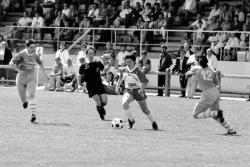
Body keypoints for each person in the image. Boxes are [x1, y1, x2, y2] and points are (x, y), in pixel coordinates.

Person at [185, 55, 237, 135]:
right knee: (213, 114)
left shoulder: (196, 68)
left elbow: (187, 75)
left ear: (198, 61)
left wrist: (194, 67)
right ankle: (231, 130)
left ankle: (218, 113)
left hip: (207, 93)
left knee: (195, 115)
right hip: (215, 92)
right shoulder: (212, 70)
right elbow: (217, 83)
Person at [9, 39, 49, 123]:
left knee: (32, 95)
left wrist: (45, 75)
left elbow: (40, 63)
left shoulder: (35, 55)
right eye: (31, 47)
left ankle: (33, 115)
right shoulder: (21, 54)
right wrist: (19, 71)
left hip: (31, 77)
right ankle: (25, 101)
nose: (33, 49)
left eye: (34, 47)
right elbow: (11, 64)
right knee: (24, 102)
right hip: (21, 79)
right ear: (26, 47)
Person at [116, 54, 158, 130]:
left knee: (145, 110)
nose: (128, 63)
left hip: (138, 91)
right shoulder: (123, 70)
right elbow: (120, 78)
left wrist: (141, 89)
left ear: (134, 62)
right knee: (124, 104)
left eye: (130, 62)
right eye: (127, 62)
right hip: (128, 91)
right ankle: (131, 120)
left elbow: (145, 82)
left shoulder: (138, 71)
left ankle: (153, 122)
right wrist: (117, 87)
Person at [78, 46, 108, 120]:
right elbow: (79, 75)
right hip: (90, 86)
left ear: (94, 54)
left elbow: (104, 70)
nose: (91, 55)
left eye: (92, 53)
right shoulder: (83, 65)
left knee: (104, 101)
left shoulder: (98, 63)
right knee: (98, 100)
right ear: (87, 54)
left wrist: (107, 63)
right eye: (89, 53)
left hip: (99, 84)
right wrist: (79, 85)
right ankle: (101, 115)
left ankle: (100, 107)